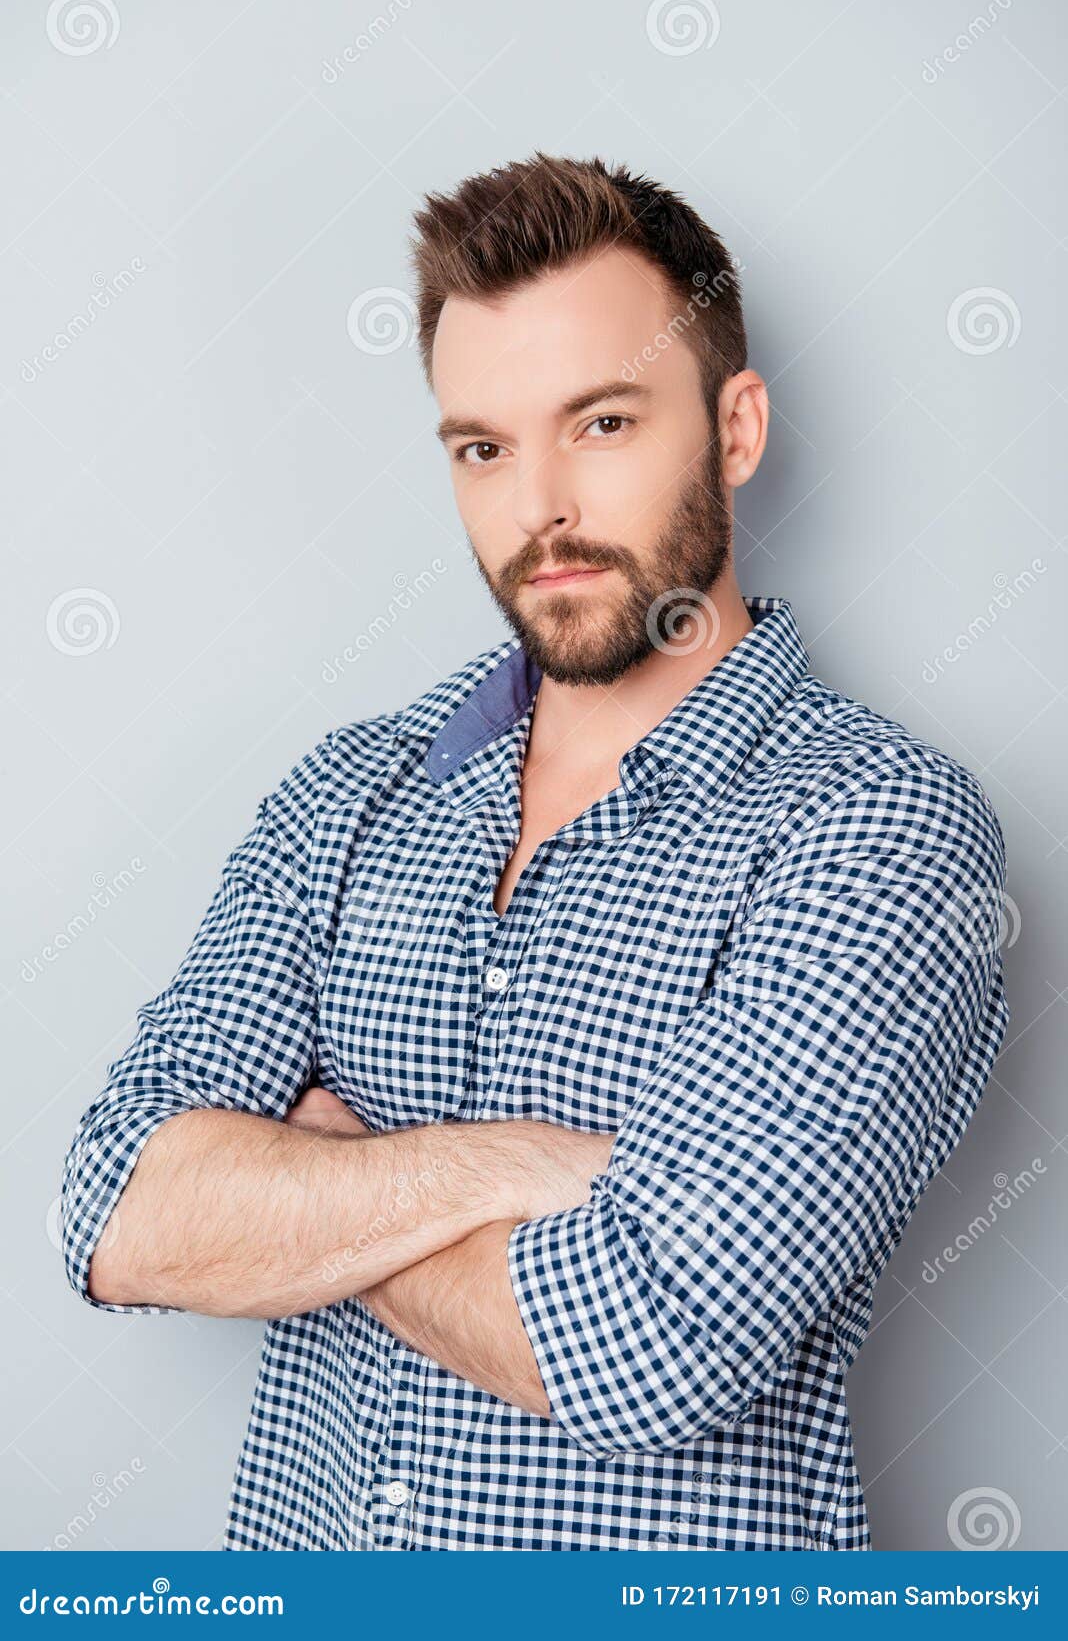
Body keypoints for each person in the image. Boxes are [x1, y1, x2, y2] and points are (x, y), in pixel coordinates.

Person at [61, 152, 1010, 1552]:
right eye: (483, 446)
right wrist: (495, 1166)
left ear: (735, 429)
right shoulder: (348, 792)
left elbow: (649, 1345)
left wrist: (318, 1175)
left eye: (605, 422)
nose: (539, 507)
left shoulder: (879, 829)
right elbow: (117, 1210)